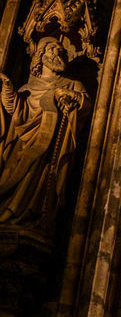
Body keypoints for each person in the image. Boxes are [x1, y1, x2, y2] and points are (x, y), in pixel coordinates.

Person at [0, 36, 91, 229]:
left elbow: (86, 107)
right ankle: (6, 210)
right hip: (22, 145)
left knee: (37, 176)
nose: (59, 52)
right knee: (15, 173)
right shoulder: (28, 88)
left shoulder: (72, 84)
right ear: (41, 56)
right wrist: (8, 90)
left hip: (49, 151)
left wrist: (72, 97)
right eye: (52, 49)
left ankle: (23, 216)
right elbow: (14, 111)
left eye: (61, 50)